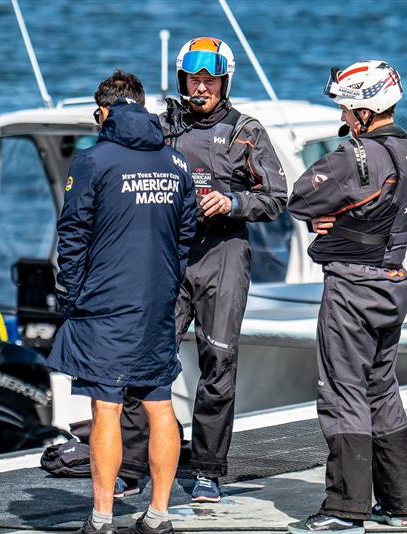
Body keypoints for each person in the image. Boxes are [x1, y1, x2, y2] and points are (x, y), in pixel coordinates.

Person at [117, 36, 288, 503]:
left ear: (224, 82)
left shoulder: (245, 131)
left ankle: (209, 471)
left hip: (223, 256)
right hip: (167, 258)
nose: (201, 87)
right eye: (194, 79)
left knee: (218, 363)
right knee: (144, 360)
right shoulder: (162, 126)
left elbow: (278, 197)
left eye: (210, 80)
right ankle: (131, 468)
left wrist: (232, 202)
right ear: (181, 80)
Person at [47, 70, 196, 534]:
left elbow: (72, 234)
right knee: (159, 403)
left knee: (106, 407)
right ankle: (159, 514)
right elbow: (186, 234)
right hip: (156, 302)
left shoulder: (94, 161)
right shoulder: (176, 162)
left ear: (104, 111)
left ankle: (102, 517)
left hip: (106, 305)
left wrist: (70, 296)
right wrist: (167, 283)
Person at [285, 60, 407, 533]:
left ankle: (345, 509)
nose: (343, 117)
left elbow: (303, 195)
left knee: (342, 390)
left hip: (353, 285)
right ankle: (398, 502)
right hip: (393, 281)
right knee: (381, 389)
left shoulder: (357, 155)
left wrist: (322, 217)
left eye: (346, 108)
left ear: (365, 110)